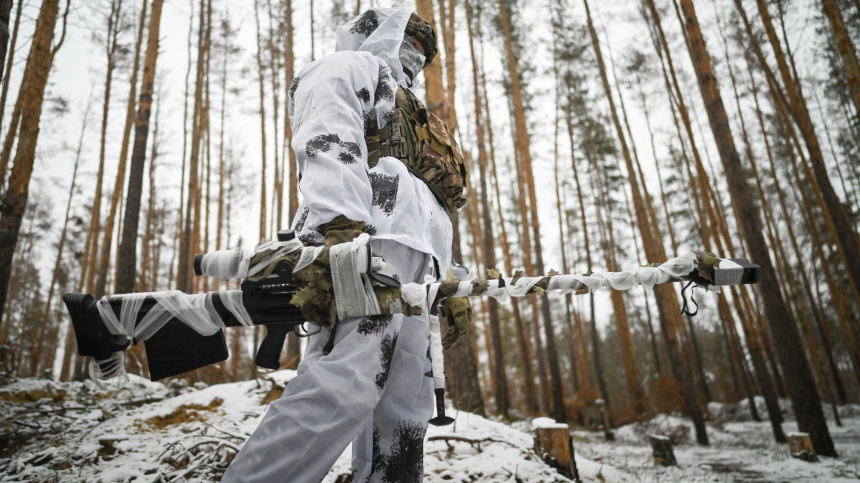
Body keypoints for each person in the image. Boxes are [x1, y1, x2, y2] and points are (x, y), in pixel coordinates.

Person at [222, 8, 468, 482]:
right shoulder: (350, 68)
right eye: (409, 45)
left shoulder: (412, 113)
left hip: (421, 265)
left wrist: (448, 272)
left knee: (406, 410)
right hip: (367, 247)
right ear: (380, 36)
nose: (416, 60)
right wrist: (342, 232)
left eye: (423, 55)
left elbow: (428, 204)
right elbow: (327, 138)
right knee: (346, 383)